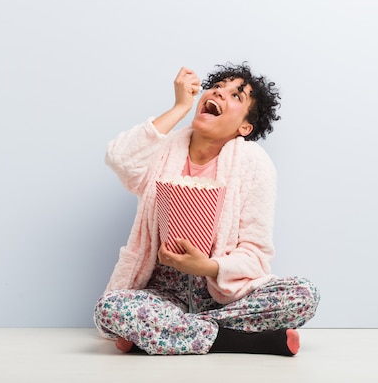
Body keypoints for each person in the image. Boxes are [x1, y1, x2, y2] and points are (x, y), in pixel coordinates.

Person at [94, 63, 320, 356]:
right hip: (165, 290)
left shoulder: (254, 164)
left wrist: (208, 267)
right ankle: (242, 341)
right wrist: (179, 108)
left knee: (304, 294)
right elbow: (120, 159)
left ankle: (163, 333)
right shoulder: (164, 150)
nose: (219, 93)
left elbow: (255, 253)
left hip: (225, 293)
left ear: (245, 127)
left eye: (236, 96)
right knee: (110, 309)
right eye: (218, 87)